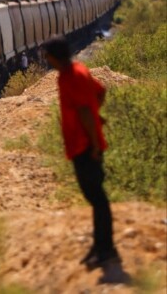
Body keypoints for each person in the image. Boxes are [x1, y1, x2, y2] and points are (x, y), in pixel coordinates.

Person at [42, 37, 119, 269]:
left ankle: (106, 250)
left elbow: (85, 110)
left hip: (84, 146)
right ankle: (101, 246)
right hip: (84, 144)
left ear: (54, 57)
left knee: (97, 198)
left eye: (47, 55)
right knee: (96, 198)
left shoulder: (71, 77)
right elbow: (100, 91)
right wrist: (97, 114)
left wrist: (94, 142)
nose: (46, 59)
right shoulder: (78, 70)